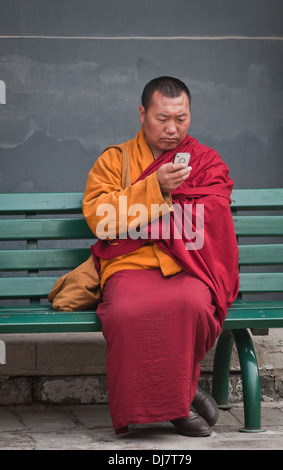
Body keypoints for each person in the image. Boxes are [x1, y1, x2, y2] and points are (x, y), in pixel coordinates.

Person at [82, 76, 239, 437]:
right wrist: (156, 189)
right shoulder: (115, 161)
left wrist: (155, 214)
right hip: (130, 266)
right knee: (123, 312)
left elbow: (213, 215)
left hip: (186, 265)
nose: (172, 129)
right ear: (142, 114)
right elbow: (101, 219)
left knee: (195, 305)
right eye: (162, 118)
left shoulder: (204, 161)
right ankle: (181, 401)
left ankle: (177, 399)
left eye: (181, 119)